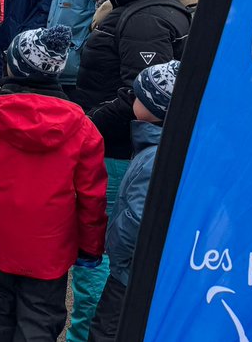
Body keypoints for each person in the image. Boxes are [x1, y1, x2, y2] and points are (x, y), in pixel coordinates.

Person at [68, 0, 190, 341]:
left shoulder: (146, 19)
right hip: (117, 149)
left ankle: (88, 334)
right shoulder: (151, 9)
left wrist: (81, 126)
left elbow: (141, 97)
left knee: (98, 252)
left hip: (116, 154)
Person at [0, 25, 107, 342]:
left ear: (15, 67)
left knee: (1, 308)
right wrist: (90, 247)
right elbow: (92, 197)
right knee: (41, 316)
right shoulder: (82, 126)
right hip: (51, 247)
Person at [88, 61, 179, 342]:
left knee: (107, 332)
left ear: (155, 108)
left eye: (138, 96)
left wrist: (116, 250)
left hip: (130, 274)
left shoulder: (154, 159)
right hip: (141, 272)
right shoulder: (163, 147)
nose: (131, 99)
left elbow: (137, 218)